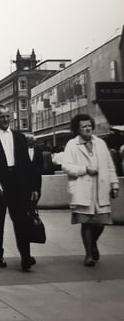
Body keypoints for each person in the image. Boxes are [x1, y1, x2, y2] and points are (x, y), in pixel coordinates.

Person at [0, 105, 39, 271]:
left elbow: (27, 164)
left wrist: (32, 187)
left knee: (21, 222)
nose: (5, 120)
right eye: (1, 117)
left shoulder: (19, 138)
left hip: (18, 184)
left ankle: (26, 257)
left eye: (7, 116)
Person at [62, 114, 119, 267]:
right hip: (82, 187)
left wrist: (114, 184)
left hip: (100, 188)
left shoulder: (100, 143)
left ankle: (92, 243)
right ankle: (88, 254)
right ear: (77, 129)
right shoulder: (72, 145)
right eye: (83, 126)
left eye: (89, 126)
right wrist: (85, 169)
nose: (87, 129)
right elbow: (66, 166)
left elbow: (109, 165)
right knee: (86, 222)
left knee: (101, 223)